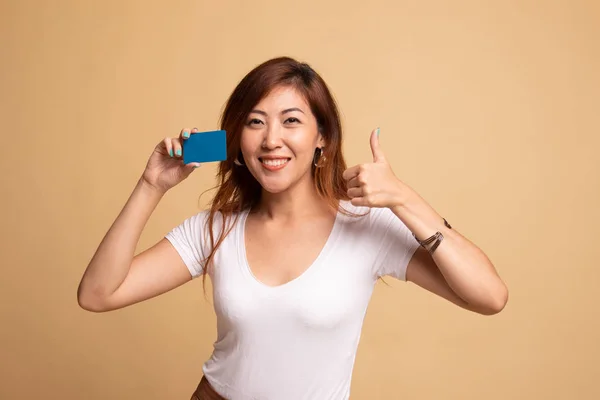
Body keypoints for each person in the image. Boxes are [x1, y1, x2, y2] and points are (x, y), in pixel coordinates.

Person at [77, 56, 508, 400]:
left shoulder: (365, 227)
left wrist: (404, 199)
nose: (271, 140)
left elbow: (489, 297)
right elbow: (97, 295)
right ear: (237, 142)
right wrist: (152, 185)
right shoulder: (214, 229)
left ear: (322, 137)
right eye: (255, 121)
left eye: (291, 120)